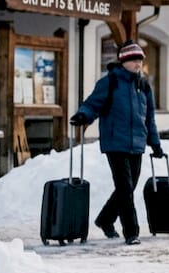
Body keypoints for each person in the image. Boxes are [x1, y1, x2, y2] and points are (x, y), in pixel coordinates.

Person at [69, 41, 163, 246]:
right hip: (115, 142)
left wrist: (155, 144)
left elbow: (150, 118)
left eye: (140, 60)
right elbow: (92, 104)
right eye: (134, 60)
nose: (138, 64)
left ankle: (105, 219)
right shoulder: (110, 82)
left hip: (137, 143)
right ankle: (131, 232)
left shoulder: (144, 85)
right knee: (125, 187)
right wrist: (83, 116)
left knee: (128, 187)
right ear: (124, 61)